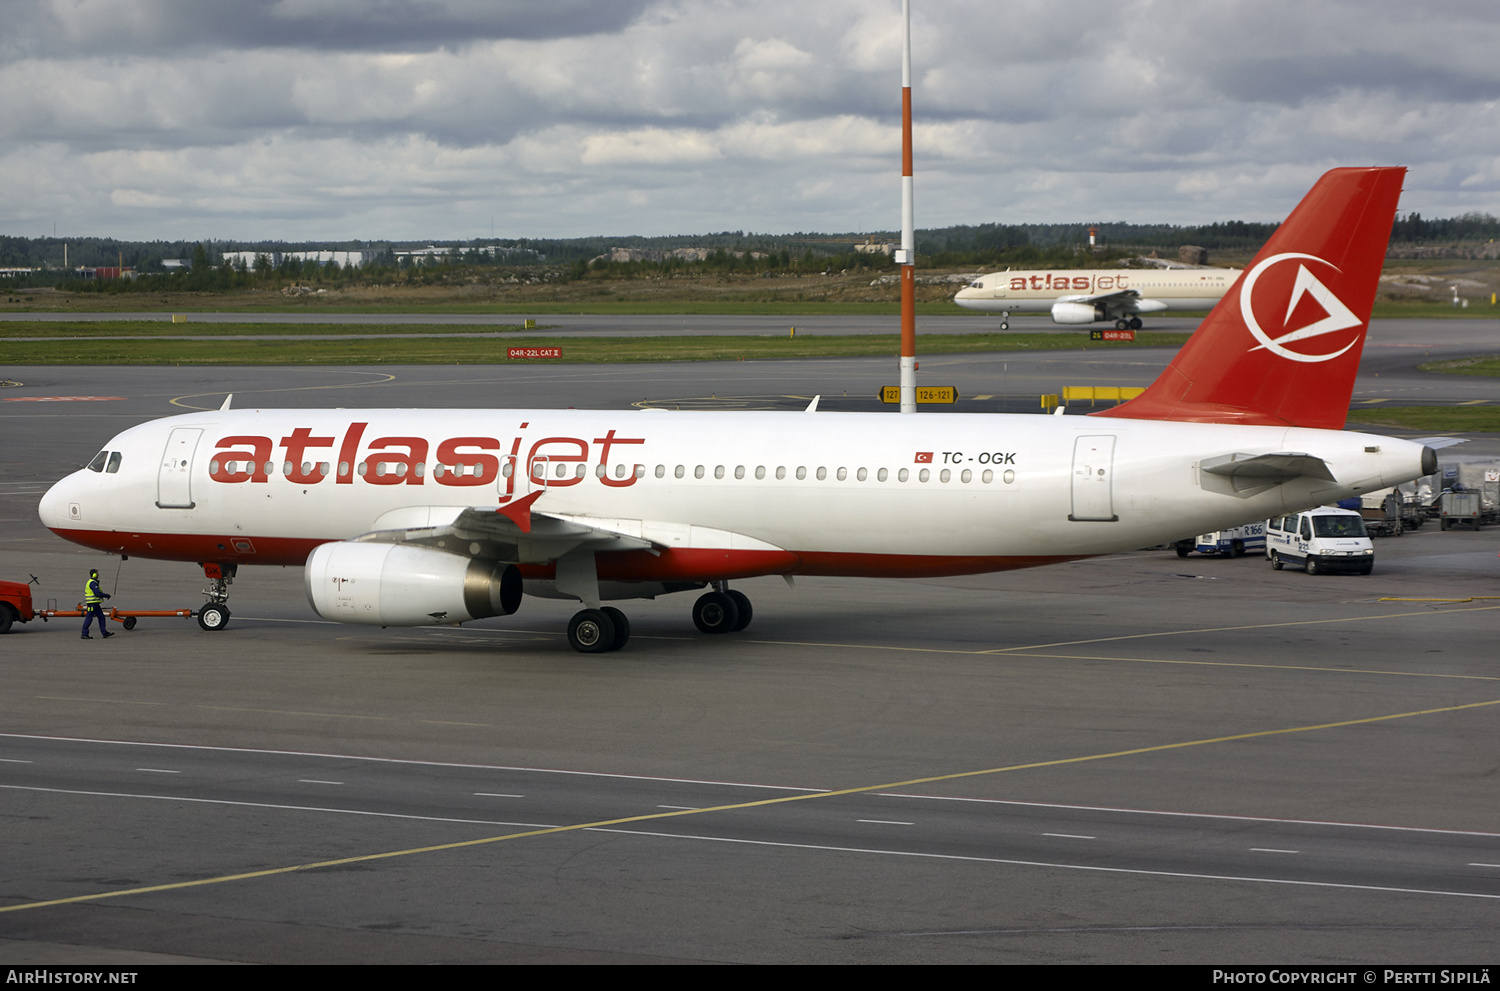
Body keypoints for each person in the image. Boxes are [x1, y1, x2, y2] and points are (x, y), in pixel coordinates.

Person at [82, 568, 113, 640]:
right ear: (94, 574)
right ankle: (84, 633)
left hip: (95, 604)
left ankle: (104, 633)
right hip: (92, 604)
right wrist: (106, 595)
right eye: (97, 573)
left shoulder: (93, 582)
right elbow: (97, 593)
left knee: (101, 617)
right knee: (89, 618)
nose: (98, 575)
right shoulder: (92, 583)